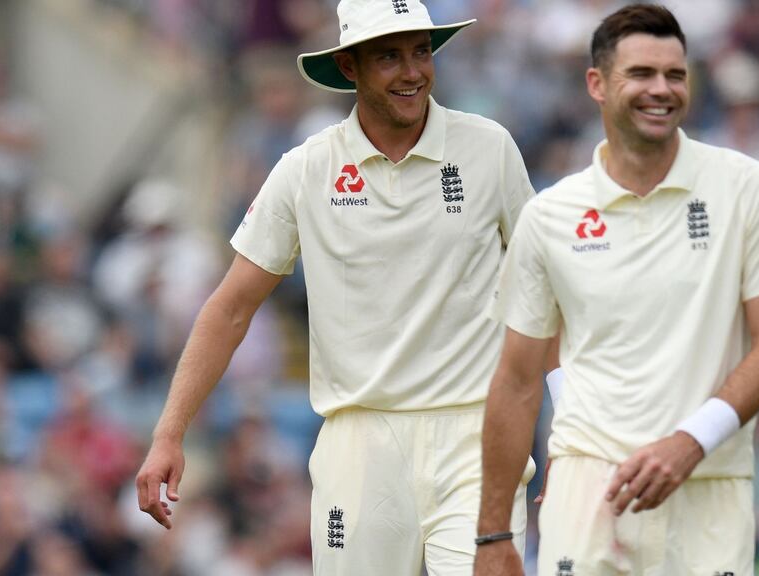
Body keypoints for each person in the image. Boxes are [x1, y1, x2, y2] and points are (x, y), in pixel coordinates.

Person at [134, 0, 538, 574]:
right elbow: (230, 309)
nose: (412, 72)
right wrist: (169, 433)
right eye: (389, 57)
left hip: (476, 435)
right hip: (359, 444)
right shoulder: (306, 168)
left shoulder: (490, 148)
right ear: (349, 66)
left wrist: (571, 439)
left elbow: (544, 290)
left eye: (421, 52)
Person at [473, 4, 759, 575]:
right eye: (642, 74)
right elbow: (518, 377)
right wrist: (494, 533)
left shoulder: (749, 187)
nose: (662, 89)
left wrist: (690, 442)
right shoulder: (550, 214)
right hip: (588, 492)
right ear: (597, 84)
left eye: (675, 75)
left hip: (708, 486)